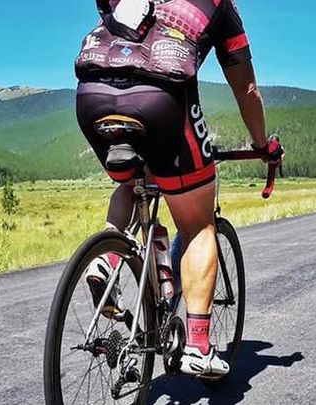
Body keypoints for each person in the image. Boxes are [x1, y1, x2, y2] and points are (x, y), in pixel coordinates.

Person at [73, 0, 282, 378]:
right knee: (198, 225)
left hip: (91, 96)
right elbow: (246, 88)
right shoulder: (221, 5)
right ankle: (198, 347)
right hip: (161, 99)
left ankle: (109, 256)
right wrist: (261, 144)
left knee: (133, 183)